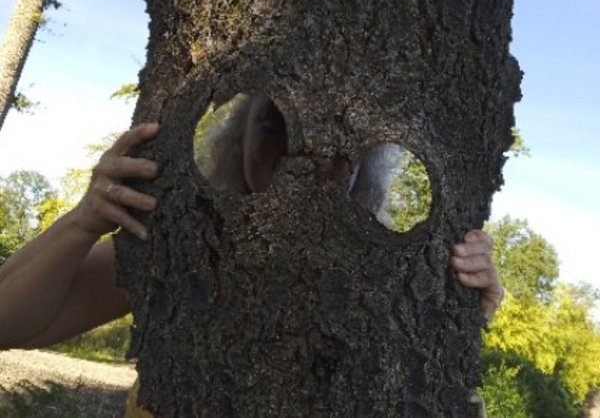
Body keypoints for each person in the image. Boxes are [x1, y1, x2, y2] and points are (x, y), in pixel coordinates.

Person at [0, 97, 504, 401]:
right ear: (237, 135)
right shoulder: (187, 244)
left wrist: (460, 316)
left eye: (336, 142)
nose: (301, 156)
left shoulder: (393, 278)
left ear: (360, 164)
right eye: (275, 124)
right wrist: (84, 221)